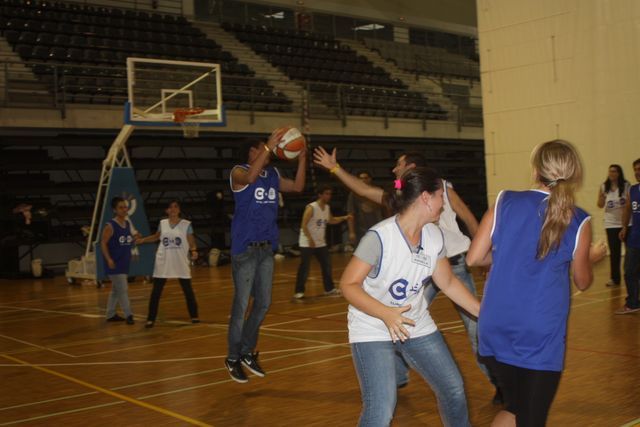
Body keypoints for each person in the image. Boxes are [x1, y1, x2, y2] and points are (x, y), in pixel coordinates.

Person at [313, 147, 497, 398]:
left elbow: (466, 215)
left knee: (476, 329)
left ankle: (500, 385)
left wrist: (482, 255)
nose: (394, 169)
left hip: (452, 264)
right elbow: (366, 190)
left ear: (412, 168)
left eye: (399, 164)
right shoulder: (402, 196)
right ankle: (398, 376)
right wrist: (335, 169)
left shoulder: (440, 187)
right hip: (421, 268)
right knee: (401, 314)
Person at [466, 140, 606, 426]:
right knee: (530, 418)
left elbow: (473, 259)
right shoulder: (579, 219)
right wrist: (589, 259)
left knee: (515, 407)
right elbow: (582, 280)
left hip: (495, 327)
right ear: (575, 174)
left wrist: (510, 255)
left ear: (535, 171)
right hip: (539, 334)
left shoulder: (504, 200)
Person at [341, 167, 480, 427]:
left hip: (415, 325)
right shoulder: (379, 237)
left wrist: (483, 312)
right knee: (381, 409)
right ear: (426, 198)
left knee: (454, 388)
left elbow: (448, 282)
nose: (444, 203)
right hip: (373, 327)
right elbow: (348, 285)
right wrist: (385, 313)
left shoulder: (434, 235)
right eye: (441, 197)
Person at [226, 129, 306, 383]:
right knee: (241, 307)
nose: (267, 150)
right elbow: (250, 178)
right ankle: (232, 357)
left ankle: (248, 351)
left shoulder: (272, 174)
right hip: (245, 249)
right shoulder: (237, 172)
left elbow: (298, 186)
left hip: (266, 249)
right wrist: (269, 147)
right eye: (260, 147)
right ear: (251, 152)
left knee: (263, 303)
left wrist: (302, 158)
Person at [136, 200, 199, 328]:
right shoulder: (162, 223)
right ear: (167, 210)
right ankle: (150, 319)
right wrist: (142, 240)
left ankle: (194, 316)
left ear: (179, 209)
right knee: (156, 292)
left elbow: (191, 240)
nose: (173, 209)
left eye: (176, 206)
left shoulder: (186, 224)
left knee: (188, 291)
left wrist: (194, 250)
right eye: (171, 207)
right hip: (163, 260)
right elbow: (156, 237)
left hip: (179, 261)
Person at [293, 186, 350, 299]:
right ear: (320, 195)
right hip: (307, 243)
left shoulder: (327, 207)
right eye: (326, 193)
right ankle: (299, 291)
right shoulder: (311, 207)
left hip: (320, 243)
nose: (328, 196)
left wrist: (344, 217)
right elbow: (303, 225)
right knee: (305, 267)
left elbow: (331, 220)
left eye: (329, 194)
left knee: (327, 265)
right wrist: (310, 239)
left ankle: (329, 289)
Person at [101, 196, 140, 325]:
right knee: (123, 289)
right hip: (114, 263)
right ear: (114, 210)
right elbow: (103, 243)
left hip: (124, 262)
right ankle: (129, 315)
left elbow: (128, 240)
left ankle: (110, 314)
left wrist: (135, 238)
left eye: (125, 207)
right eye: (121, 207)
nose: (124, 209)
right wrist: (109, 259)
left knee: (116, 290)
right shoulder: (110, 225)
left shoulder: (127, 224)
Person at [596, 164, 630, 286]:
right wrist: (601, 196)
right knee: (614, 252)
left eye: (614, 171)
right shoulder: (604, 186)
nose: (611, 174)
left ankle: (630, 276)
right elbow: (600, 205)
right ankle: (615, 279)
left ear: (619, 173)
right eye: (610, 171)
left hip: (626, 223)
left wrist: (625, 224)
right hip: (611, 224)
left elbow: (628, 205)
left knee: (630, 252)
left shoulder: (626, 186)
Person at [617, 158, 640, 314]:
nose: (637, 172)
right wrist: (624, 227)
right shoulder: (632, 189)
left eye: (639, 169)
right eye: (635, 170)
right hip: (635, 238)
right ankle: (633, 302)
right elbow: (627, 209)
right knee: (629, 270)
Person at [347, 171, 383, 245]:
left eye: (365, 178)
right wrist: (351, 232)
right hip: (360, 229)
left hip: (377, 228)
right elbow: (350, 214)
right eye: (361, 178)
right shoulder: (354, 194)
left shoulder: (377, 191)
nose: (363, 180)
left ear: (370, 179)